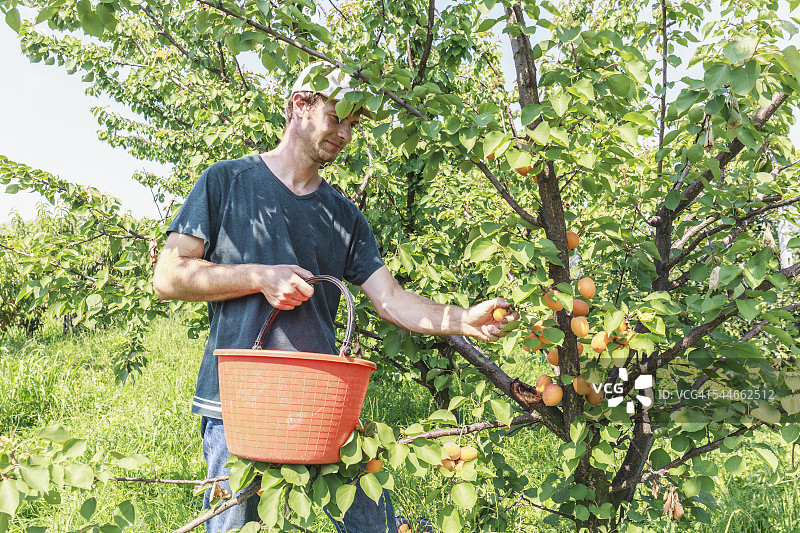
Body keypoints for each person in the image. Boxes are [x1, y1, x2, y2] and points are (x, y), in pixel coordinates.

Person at [153, 62, 518, 533]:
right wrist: (258, 276)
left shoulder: (343, 215)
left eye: (353, 123)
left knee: (372, 523)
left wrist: (464, 319)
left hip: (321, 398)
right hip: (239, 401)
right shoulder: (227, 181)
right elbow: (168, 277)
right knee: (233, 526)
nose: (345, 133)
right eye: (336, 118)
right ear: (299, 106)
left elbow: (390, 299)